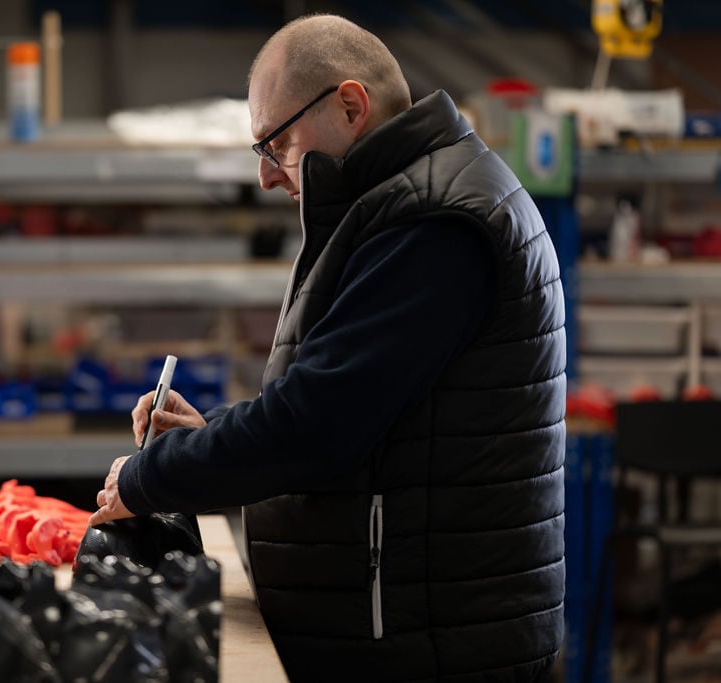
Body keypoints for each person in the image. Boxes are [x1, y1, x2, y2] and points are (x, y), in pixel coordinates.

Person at [90, 13, 565, 681]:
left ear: (349, 106)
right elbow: (352, 406)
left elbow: (317, 425)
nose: (267, 175)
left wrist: (149, 475)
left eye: (276, 144)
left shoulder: (435, 221)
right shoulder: (402, 204)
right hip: (404, 631)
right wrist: (212, 435)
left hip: (428, 650)